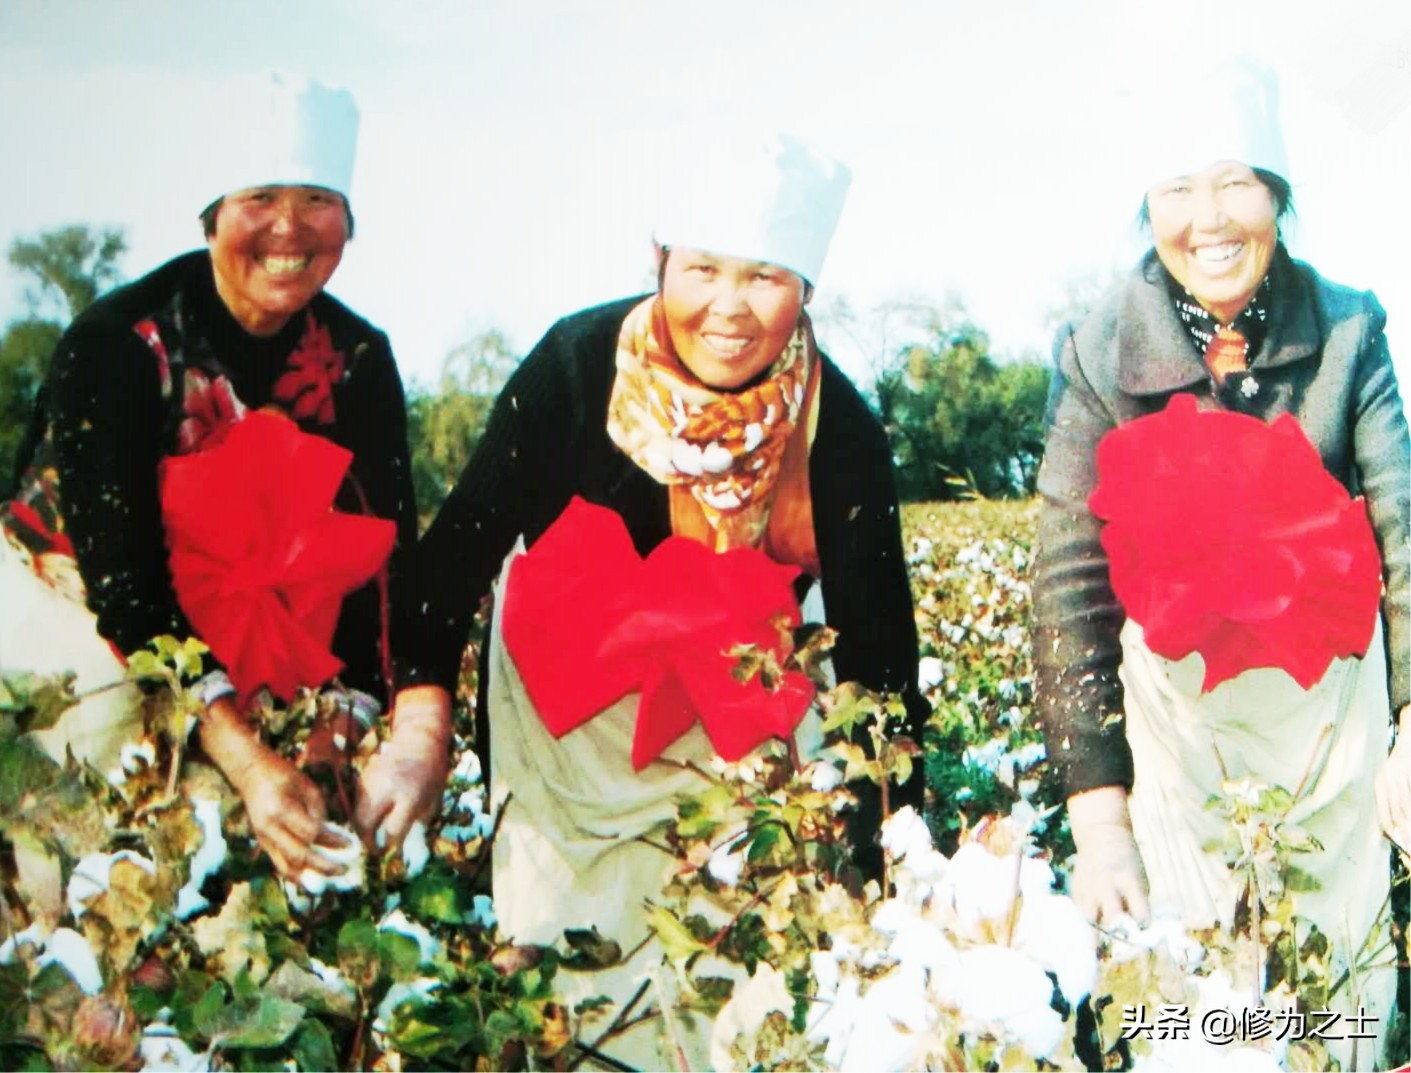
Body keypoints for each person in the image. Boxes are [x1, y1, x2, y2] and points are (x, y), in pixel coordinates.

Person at [395, 133, 926, 1063]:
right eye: (704, 269)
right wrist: (418, 731)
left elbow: (879, 655)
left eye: (766, 276)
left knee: (730, 999)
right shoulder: (576, 366)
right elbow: (449, 564)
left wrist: (891, 866)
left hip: (733, 734)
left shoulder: (833, 426)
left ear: (806, 288)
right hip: (568, 731)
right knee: (569, 995)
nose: (730, 307)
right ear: (659, 261)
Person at [1034, 59, 1407, 1056]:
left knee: (1333, 984)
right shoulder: (1098, 347)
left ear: (1277, 197)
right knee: (1196, 994)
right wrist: (1098, 815)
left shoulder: (1348, 327)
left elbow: (1403, 532)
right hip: (1176, 714)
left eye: (1236, 182)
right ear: (1147, 210)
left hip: (1326, 708)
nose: (1209, 218)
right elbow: (1069, 579)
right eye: (1176, 190)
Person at [0, 73, 444, 886]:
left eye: (317, 200)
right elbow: (124, 589)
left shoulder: (358, 357)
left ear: (347, 221)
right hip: (74, 611)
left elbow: (380, 572)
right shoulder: (118, 343)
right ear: (212, 215)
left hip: (254, 630)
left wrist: (332, 737)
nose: (288, 227)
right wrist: (245, 759)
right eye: (260, 198)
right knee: (88, 815)